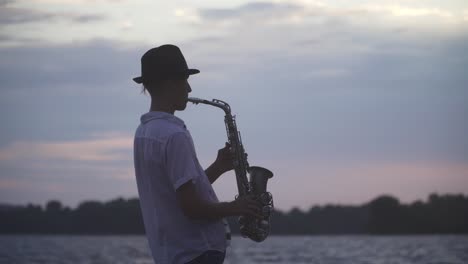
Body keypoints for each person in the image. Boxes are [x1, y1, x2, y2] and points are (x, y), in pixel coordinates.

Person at [132, 44, 263, 264]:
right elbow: (191, 208)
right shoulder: (174, 135)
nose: (189, 90)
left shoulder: (144, 133)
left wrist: (218, 167)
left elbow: (178, 194)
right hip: (197, 252)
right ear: (170, 83)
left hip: (172, 253)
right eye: (185, 81)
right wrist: (235, 207)